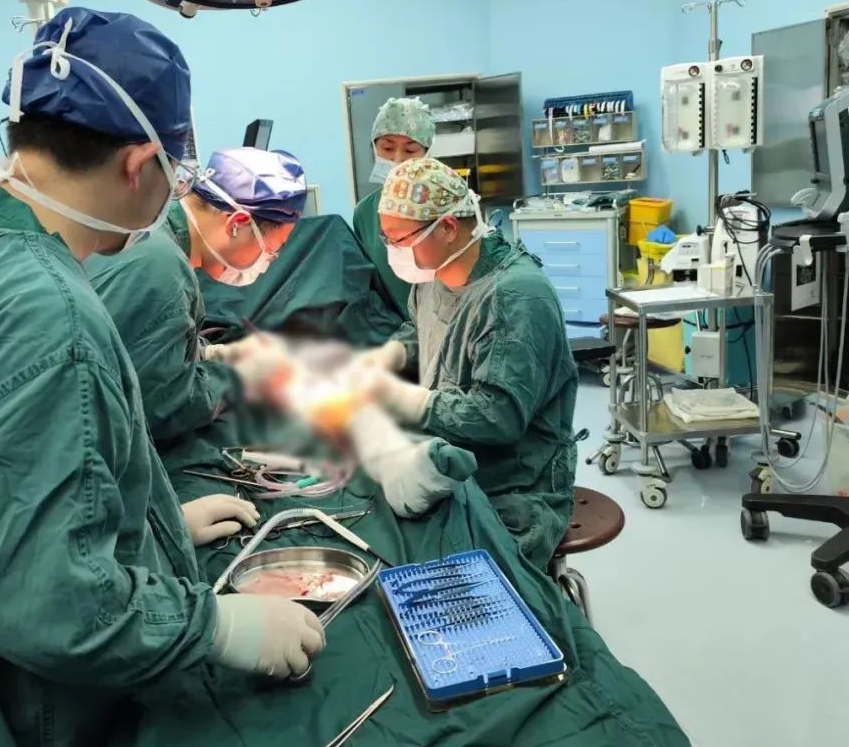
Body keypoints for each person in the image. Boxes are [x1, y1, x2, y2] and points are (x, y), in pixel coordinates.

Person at [0, 7, 324, 747]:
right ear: (140, 164)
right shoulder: (46, 312)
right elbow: (43, 604)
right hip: (44, 719)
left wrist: (150, 523)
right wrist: (216, 626)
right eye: (176, 173)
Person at [358, 157, 578, 568]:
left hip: (513, 483)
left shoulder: (517, 298)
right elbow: (420, 328)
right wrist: (387, 356)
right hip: (447, 453)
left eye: (400, 239)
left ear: (447, 227)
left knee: (449, 575)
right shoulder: (433, 273)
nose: (393, 251)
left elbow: (499, 416)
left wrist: (409, 402)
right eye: (387, 239)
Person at [85, 146, 307, 470]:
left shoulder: (152, 230)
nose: (268, 261)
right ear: (237, 223)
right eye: (272, 250)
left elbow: (136, 340)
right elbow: (159, 406)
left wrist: (208, 353)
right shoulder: (160, 265)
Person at [350, 97, 435, 318]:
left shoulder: (445, 204)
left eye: (410, 151)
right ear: (373, 148)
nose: (397, 159)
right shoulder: (365, 213)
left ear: (428, 153)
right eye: (387, 148)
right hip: (393, 329)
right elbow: (369, 285)